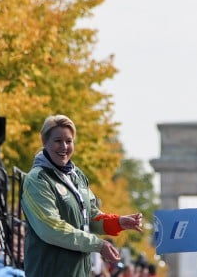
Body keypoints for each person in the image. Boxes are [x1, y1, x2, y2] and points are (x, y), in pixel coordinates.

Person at [22, 114, 144, 277]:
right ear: (45, 142)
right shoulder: (37, 180)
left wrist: (118, 222)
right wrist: (98, 245)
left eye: (69, 141)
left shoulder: (77, 176)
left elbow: (90, 215)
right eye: (58, 141)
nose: (64, 146)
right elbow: (52, 228)